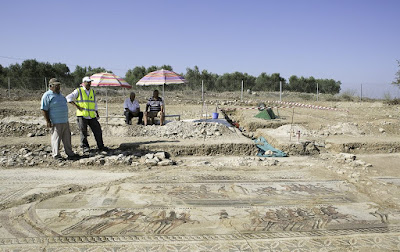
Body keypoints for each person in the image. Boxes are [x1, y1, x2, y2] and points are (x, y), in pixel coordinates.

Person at [40, 78, 79, 161]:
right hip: (56, 122)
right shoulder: (47, 95)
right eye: (56, 85)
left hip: (64, 121)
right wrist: (48, 121)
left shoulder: (60, 95)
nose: (58, 87)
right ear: (51, 86)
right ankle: (56, 155)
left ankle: (69, 153)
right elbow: (44, 109)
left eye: (59, 85)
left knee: (67, 138)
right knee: (56, 138)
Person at [66, 76, 107, 153]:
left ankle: (101, 146)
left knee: (97, 130)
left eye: (90, 82)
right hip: (82, 115)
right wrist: (77, 106)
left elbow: (94, 103)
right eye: (88, 82)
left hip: (91, 115)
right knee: (83, 132)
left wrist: (96, 113)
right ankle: (85, 147)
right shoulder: (78, 91)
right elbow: (68, 98)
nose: (89, 83)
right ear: (83, 83)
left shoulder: (92, 92)